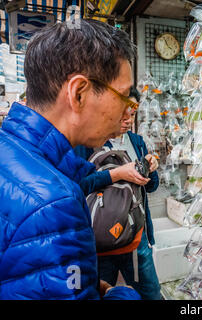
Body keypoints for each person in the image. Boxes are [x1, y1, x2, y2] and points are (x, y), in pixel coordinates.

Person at [0, 19, 141, 300]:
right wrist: (119, 294)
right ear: (79, 93)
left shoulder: (12, 149)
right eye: (124, 96)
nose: (127, 111)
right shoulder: (54, 204)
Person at [74, 87, 162, 300]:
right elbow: (78, 186)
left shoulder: (136, 141)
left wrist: (152, 168)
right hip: (100, 241)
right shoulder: (89, 141)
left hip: (136, 239)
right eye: (122, 111)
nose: (128, 118)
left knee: (151, 294)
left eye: (132, 112)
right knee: (103, 292)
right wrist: (117, 174)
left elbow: (149, 187)